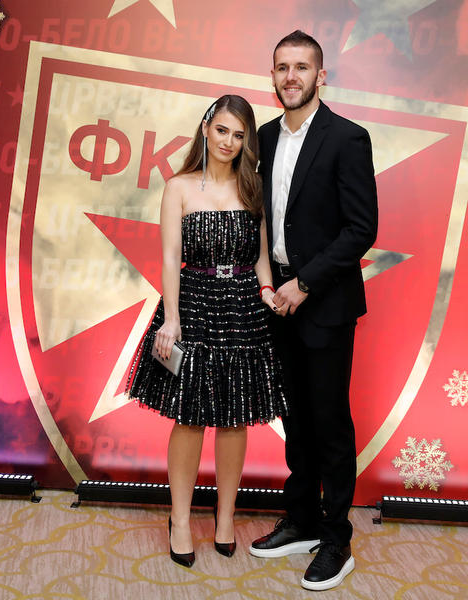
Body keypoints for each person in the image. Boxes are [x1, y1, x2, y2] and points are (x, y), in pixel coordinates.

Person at [126, 95, 287, 568]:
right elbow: (170, 257)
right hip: (193, 303)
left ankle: (225, 517)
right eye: (222, 130)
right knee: (190, 417)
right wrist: (172, 318)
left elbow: (261, 255)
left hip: (243, 308)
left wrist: (265, 290)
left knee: (235, 418)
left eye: (239, 135)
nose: (228, 142)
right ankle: (179, 520)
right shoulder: (177, 187)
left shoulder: (253, 187)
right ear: (205, 128)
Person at [248, 31, 378, 591]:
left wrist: (303, 284)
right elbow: (262, 216)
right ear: (273, 76)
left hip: (324, 302)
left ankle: (335, 539)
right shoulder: (264, 136)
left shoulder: (348, 137)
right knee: (295, 418)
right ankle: (299, 519)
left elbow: (361, 228)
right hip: (276, 302)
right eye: (282, 67)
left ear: (320, 75)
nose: (291, 76)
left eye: (302, 67)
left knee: (329, 422)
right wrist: (268, 283)